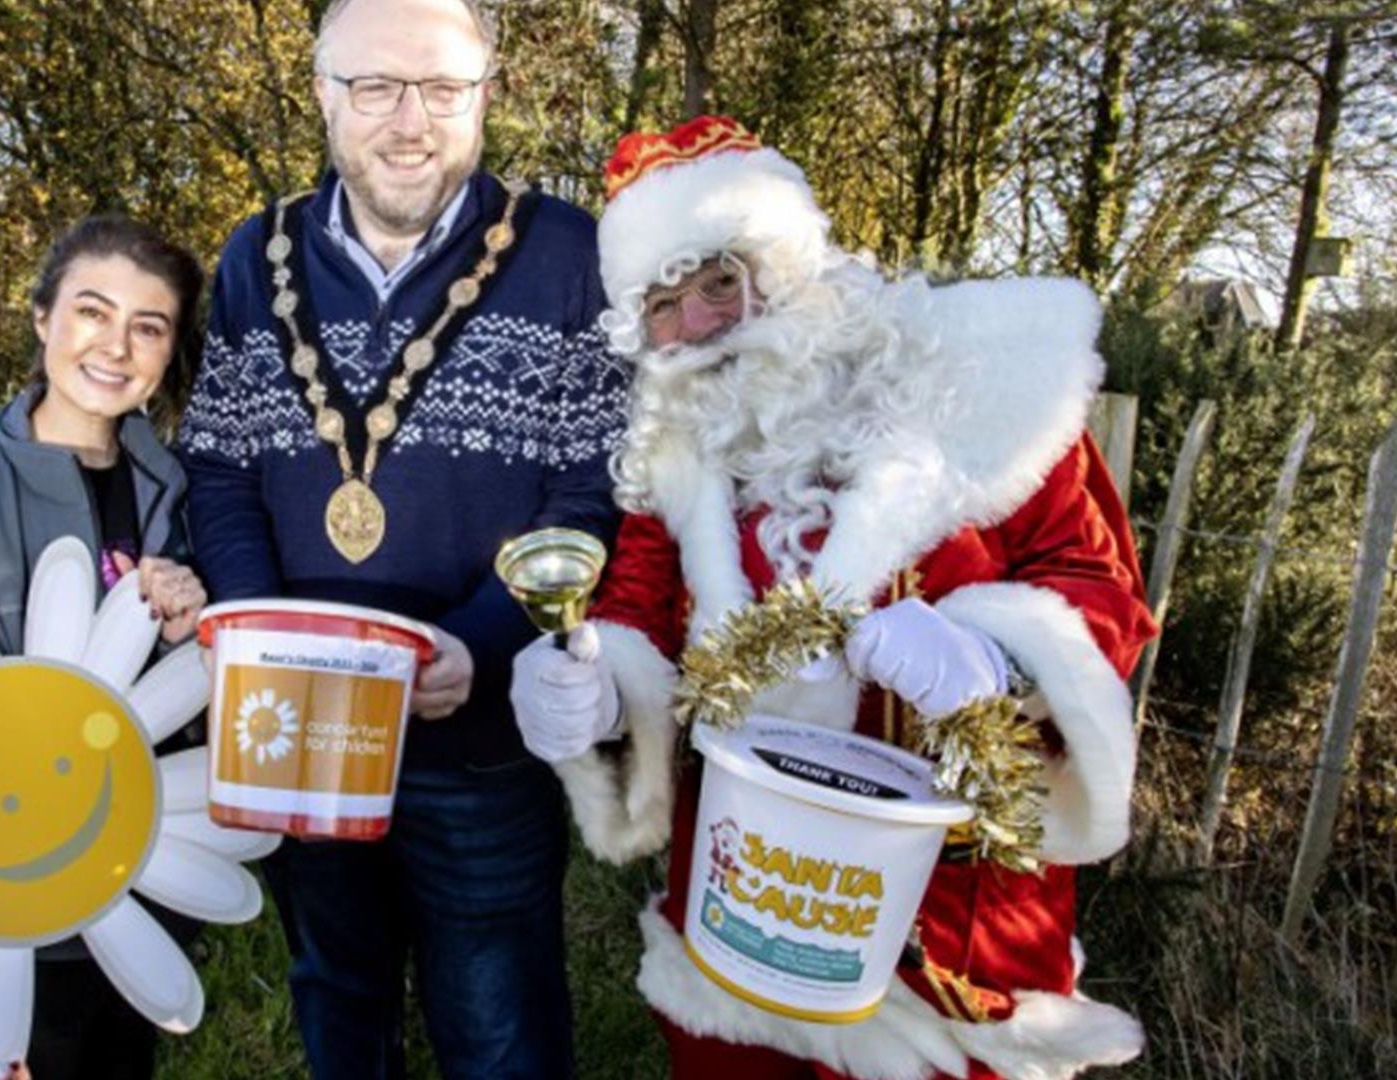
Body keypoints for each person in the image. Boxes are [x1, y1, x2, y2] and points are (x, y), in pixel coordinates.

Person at [508, 116, 1159, 1080]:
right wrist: (594, 689)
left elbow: (1096, 578)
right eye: (664, 307)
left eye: (721, 282)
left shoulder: (986, 390)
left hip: (956, 924)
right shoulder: (677, 456)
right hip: (748, 898)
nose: (699, 329)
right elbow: (639, 613)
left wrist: (993, 658)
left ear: (789, 266)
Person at [176, 0, 629, 1075]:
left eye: (441, 88)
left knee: (499, 1017)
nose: (409, 120)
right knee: (339, 990)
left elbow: (593, 490)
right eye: (375, 86)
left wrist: (483, 644)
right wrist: (257, 638)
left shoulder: (571, 256)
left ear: (487, 90)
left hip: (479, 737)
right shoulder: (256, 255)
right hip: (297, 725)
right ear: (325, 93)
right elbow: (222, 466)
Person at [0, 214, 210, 1080]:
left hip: (137, 870)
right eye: (91, 312)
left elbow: (191, 687)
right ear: (42, 319)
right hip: (11, 887)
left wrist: (194, 626)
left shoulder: (174, 490)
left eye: (149, 326)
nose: (116, 346)